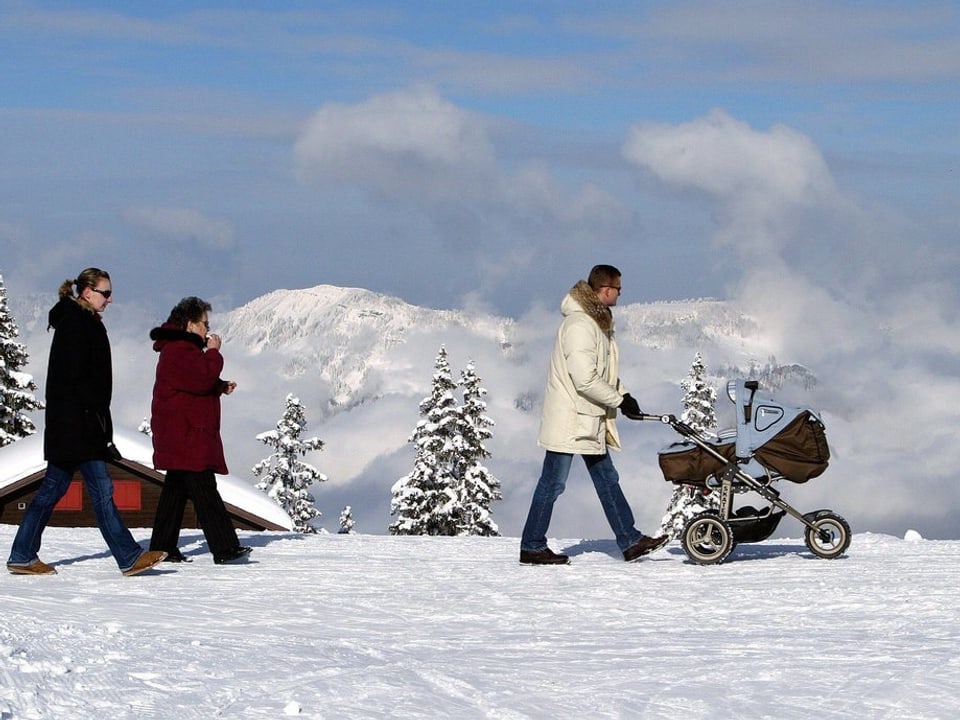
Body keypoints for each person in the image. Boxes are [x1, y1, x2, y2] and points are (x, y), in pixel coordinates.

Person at [6, 269, 167, 576]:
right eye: (105, 293)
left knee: (53, 490)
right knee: (101, 490)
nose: (110, 299)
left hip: (73, 426)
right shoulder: (77, 324)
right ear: (87, 292)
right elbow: (75, 378)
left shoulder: (78, 320)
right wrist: (94, 418)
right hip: (79, 426)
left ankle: (22, 555)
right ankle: (129, 556)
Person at [519, 265, 668, 565]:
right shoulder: (580, 326)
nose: (621, 295)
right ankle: (532, 545)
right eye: (618, 290)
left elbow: (603, 371)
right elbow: (584, 379)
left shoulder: (595, 324)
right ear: (605, 290)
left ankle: (630, 540)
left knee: (607, 479)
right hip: (572, 420)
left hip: (587, 418)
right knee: (553, 483)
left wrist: (623, 394)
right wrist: (618, 400)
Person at [147, 297, 252, 565]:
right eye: (204, 323)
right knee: (204, 489)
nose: (208, 329)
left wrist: (219, 386)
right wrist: (214, 352)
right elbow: (200, 378)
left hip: (181, 433)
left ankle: (162, 547)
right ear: (190, 324)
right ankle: (225, 547)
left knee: (176, 490)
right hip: (186, 434)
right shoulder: (180, 349)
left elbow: (193, 383)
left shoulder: (179, 350)